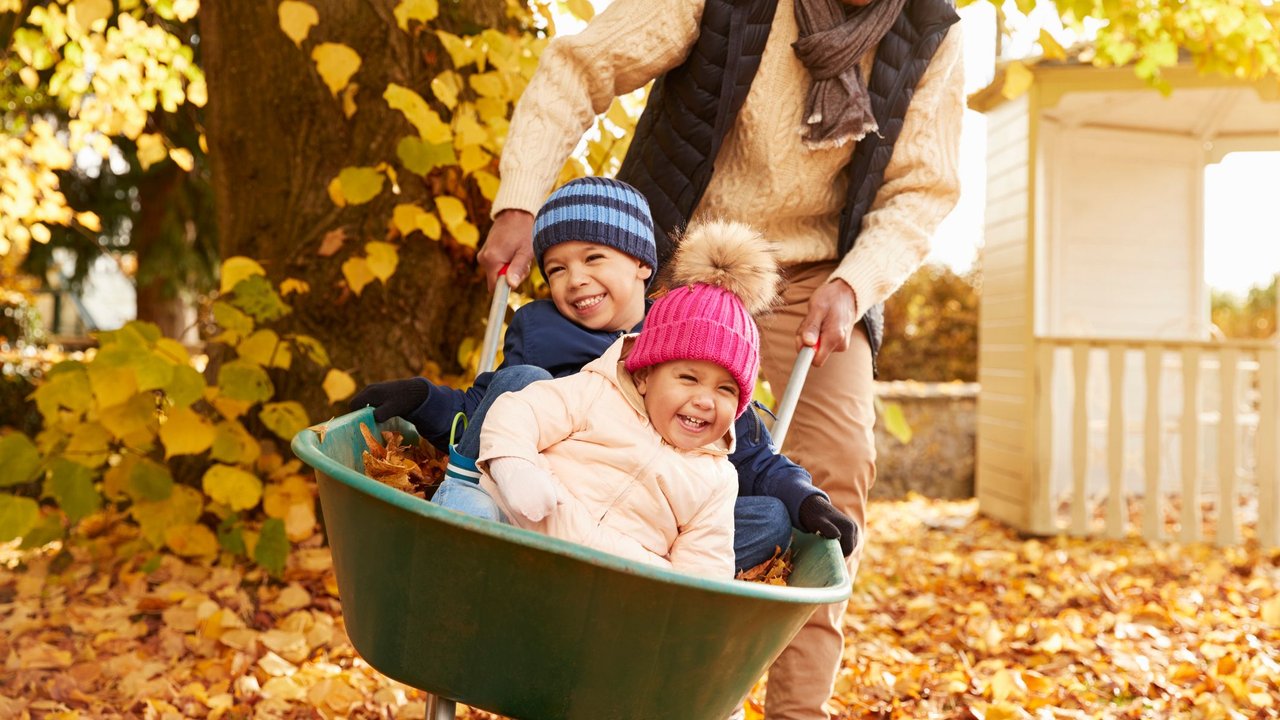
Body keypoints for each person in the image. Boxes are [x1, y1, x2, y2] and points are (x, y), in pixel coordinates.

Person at [473, 0, 963, 712]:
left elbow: (923, 188)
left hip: (819, 276)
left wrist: (855, 282)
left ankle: (795, 707)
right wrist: (519, 202)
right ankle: (591, 664)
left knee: (834, 476)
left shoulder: (929, 31)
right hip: (675, 252)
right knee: (598, 432)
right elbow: (584, 64)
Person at [350, 177, 857, 572]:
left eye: (594, 258)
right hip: (541, 500)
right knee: (521, 383)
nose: (576, 280)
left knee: (766, 517)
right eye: (556, 269)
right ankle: (467, 517)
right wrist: (422, 398)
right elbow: (486, 412)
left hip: (643, 529)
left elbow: (754, 455)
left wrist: (804, 498)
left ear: (642, 264)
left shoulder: (696, 339)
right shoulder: (541, 332)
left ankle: (648, 578)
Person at [473, 219, 780, 578]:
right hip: (523, 524)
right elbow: (519, 411)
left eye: (725, 389)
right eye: (688, 379)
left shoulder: (716, 480)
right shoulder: (598, 393)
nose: (705, 400)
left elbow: (703, 567)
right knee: (481, 501)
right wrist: (516, 467)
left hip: (612, 579)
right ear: (645, 375)